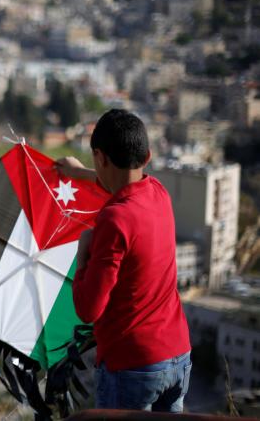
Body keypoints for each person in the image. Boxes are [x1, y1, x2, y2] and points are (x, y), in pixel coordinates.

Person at [55, 109, 192, 412]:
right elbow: (123, 184)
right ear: (147, 157)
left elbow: (88, 309)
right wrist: (80, 174)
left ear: (101, 157)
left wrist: (83, 256)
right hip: (178, 356)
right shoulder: (158, 191)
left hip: (133, 365)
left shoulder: (114, 220)